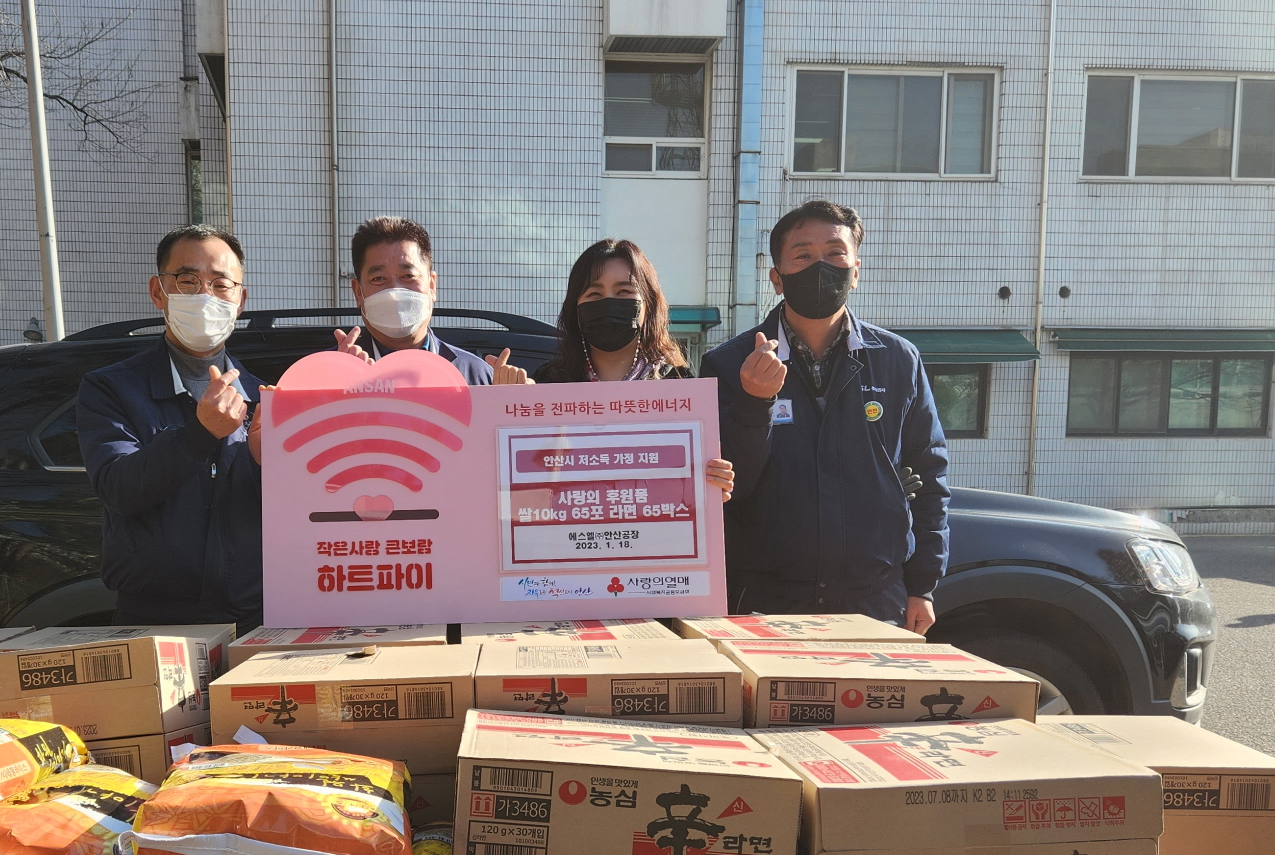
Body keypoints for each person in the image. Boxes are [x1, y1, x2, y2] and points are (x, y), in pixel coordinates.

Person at [704, 199, 949, 631]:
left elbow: (930, 476)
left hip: (875, 598)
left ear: (856, 270)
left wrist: (922, 586)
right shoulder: (728, 363)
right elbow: (726, 486)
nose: (821, 266)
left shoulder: (897, 359)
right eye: (802, 255)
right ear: (777, 279)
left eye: (835, 253)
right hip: (762, 599)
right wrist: (754, 401)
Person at [76, 223, 264, 631]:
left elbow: (295, 513)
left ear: (240, 299)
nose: (204, 296)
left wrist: (270, 466)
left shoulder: (263, 398)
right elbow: (118, 488)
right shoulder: (111, 388)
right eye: (187, 280)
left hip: (257, 619)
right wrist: (199, 434)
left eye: (220, 283)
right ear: (159, 291)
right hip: (154, 622)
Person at [533, 236, 734, 502]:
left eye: (624, 291)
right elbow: (523, 485)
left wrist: (712, 485)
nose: (608, 302)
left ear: (648, 304)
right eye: (594, 294)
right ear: (575, 308)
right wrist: (503, 411)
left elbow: (692, 487)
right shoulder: (546, 385)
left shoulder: (680, 386)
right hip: (571, 538)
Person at [334, 216, 525, 385]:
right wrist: (334, 389)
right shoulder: (326, 375)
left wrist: (512, 406)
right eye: (378, 279)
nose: (395, 291)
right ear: (358, 292)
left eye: (408, 276)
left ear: (432, 285)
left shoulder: (477, 377)